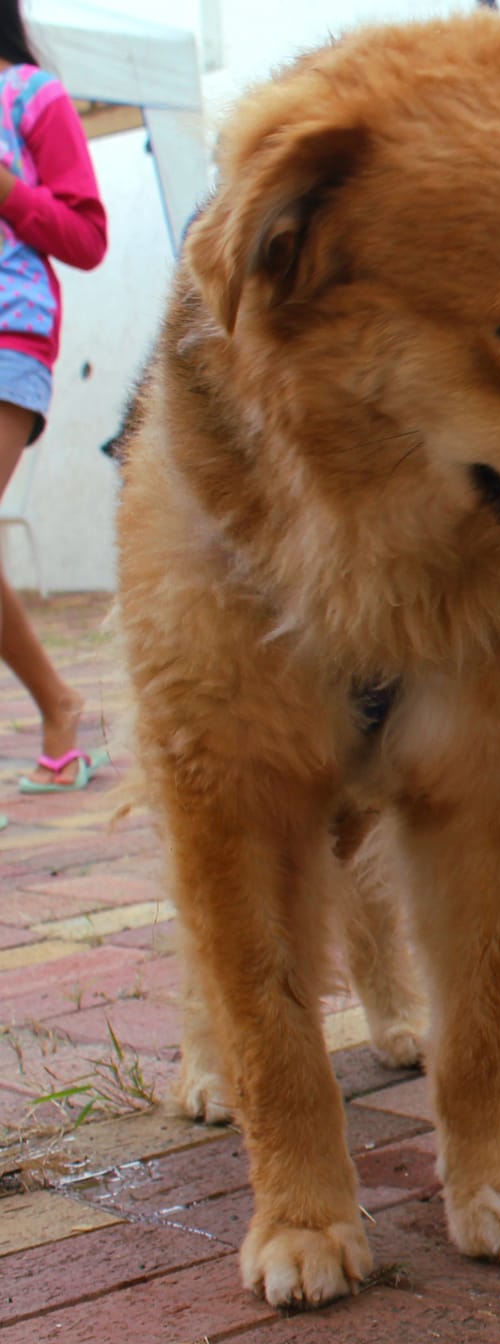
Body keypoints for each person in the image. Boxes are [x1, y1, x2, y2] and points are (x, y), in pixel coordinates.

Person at [0, 3, 106, 801]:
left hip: (11, 331)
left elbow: (87, 237)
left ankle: (60, 705)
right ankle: (58, 703)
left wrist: (7, 189)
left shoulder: (33, 96)